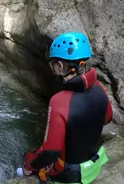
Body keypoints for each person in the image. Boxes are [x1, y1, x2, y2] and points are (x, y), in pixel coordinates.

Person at [20, 32, 113, 183]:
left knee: (29, 157)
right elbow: (107, 118)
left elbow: (50, 152)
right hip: (96, 161)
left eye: (54, 64)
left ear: (61, 65)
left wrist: (29, 164)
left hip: (72, 173)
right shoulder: (99, 87)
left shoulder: (59, 101)